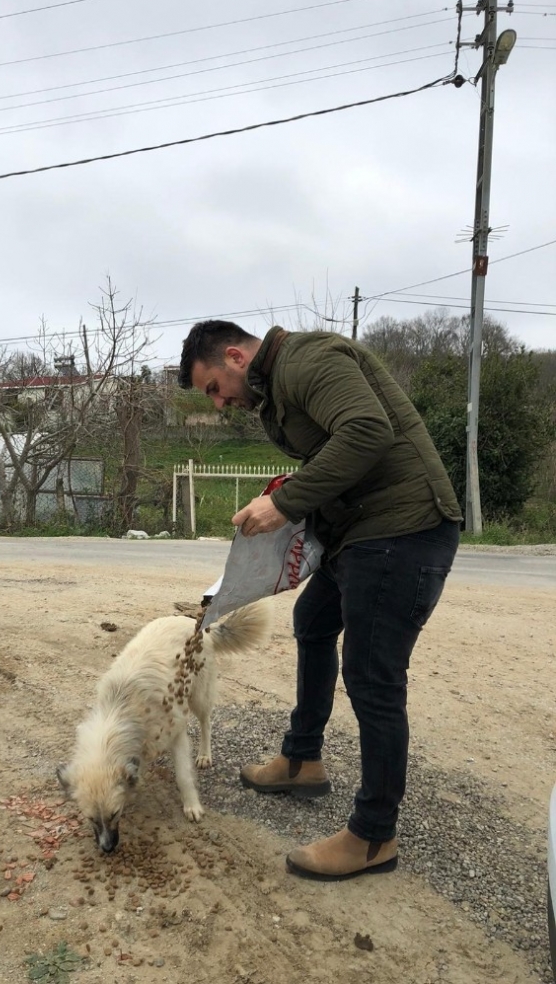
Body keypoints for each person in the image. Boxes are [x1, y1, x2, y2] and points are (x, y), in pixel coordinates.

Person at [178, 319, 462, 881]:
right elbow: (342, 448)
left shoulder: (306, 360)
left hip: (403, 531)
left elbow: (366, 431)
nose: (219, 403)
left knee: (373, 678)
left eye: (213, 387)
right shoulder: (280, 384)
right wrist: (298, 491)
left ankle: (374, 836)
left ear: (235, 356)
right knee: (312, 621)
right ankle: (303, 759)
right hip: (364, 532)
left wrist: (286, 506)